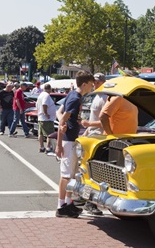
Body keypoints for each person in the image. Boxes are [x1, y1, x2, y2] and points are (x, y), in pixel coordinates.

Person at [55, 70, 95, 218]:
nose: (92, 87)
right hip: (69, 141)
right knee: (66, 175)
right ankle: (61, 206)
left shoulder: (72, 95)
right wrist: (59, 144)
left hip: (70, 139)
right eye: (91, 85)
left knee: (71, 175)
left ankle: (67, 203)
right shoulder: (75, 98)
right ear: (84, 84)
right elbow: (62, 120)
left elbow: (59, 113)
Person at [79, 72, 107, 216]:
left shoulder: (105, 98)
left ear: (103, 82)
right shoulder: (97, 96)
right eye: (94, 82)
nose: (94, 84)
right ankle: (86, 201)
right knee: (89, 172)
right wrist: (87, 130)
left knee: (94, 173)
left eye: (97, 82)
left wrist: (89, 125)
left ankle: (87, 201)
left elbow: (105, 122)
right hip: (92, 136)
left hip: (99, 138)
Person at [36, 84, 56, 153]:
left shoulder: (41, 95)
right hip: (46, 119)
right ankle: (48, 147)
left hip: (41, 118)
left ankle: (41, 147)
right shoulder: (46, 95)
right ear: (49, 89)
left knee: (41, 133)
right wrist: (46, 113)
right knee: (50, 134)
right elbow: (44, 104)